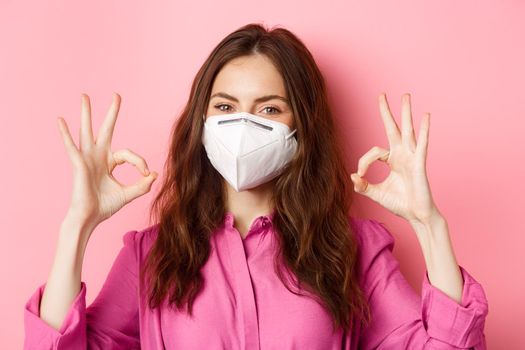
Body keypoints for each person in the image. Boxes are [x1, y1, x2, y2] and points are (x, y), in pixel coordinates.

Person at [23, 23, 489, 349]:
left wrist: (429, 225)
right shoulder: (152, 256)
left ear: (301, 128)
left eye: (268, 109)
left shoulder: (354, 250)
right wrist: (77, 227)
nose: (243, 123)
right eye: (226, 107)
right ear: (201, 123)